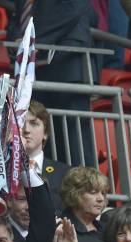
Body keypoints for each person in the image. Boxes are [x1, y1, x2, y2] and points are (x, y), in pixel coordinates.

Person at [31, 0, 98, 166]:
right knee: (54, 141)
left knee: (76, 141)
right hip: (45, 67)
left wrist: (35, 38)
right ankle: (58, 188)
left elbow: (74, 8)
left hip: (69, 64)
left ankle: (85, 187)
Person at [22, 100, 71, 212]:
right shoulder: (1, 171)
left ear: (45, 133)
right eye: (21, 123)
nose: (26, 130)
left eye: (34, 124)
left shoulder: (65, 174)